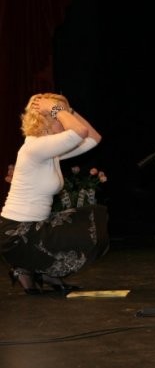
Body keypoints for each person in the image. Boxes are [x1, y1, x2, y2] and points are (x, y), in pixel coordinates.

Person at [0, 93, 108, 294]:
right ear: (49, 119)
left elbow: (93, 138)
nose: (67, 120)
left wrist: (68, 110)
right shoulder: (35, 147)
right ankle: (29, 264)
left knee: (93, 217)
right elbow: (80, 131)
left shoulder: (50, 150)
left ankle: (35, 268)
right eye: (60, 116)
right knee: (88, 225)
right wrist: (57, 109)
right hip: (17, 234)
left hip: (35, 227)